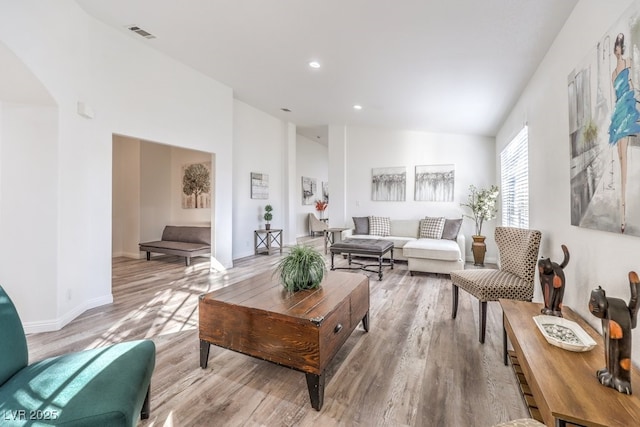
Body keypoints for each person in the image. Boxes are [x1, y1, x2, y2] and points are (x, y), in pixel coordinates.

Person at [609, 33, 640, 233]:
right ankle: (621, 215)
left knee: (624, 165)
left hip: (627, 109)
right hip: (619, 112)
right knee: (620, 159)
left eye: (620, 45)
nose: (618, 49)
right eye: (616, 46)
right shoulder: (612, 74)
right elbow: (616, 95)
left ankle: (624, 215)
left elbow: (633, 85)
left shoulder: (629, 62)